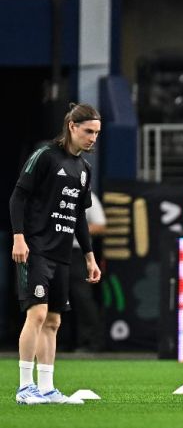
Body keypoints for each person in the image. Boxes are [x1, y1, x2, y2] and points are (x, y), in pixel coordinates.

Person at [10, 103, 103, 405]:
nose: (93, 138)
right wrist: (19, 238)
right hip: (35, 249)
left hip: (63, 256)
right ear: (72, 127)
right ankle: (25, 388)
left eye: (97, 133)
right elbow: (17, 196)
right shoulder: (45, 156)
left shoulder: (84, 170)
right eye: (88, 131)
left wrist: (89, 257)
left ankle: (47, 388)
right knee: (36, 314)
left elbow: (79, 218)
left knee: (53, 321)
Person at [69, 192, 106, 352]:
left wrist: (71, 227)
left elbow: (100, 225)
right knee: (49, 298)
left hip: (77, 253)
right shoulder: (50, 191)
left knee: (82, 297)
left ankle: (91, 342)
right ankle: (57, 342)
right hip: (49, 251)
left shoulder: (86, 195)